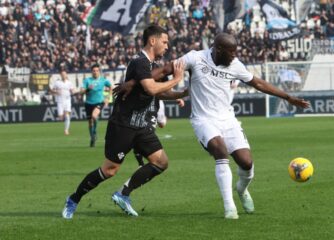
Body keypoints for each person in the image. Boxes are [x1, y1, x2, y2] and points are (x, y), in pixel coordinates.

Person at [116, 33, 309, 219]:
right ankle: (229, 207)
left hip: (228, 120)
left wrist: (288, 97)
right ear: (218, 49)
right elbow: (166, 69)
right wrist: (133, 82)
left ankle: (241, 190)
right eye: (231, 52)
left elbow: (257, 83)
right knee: (220, 150)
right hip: (203, 119)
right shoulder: (196, 58)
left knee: (246, 162)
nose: (234, 55)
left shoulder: (235, 65)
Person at [62, 25, 186, 219]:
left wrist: (182, 93)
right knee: (109, 170)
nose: (167, 46)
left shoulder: (152, 66)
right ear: (152, 41)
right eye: (165, 42)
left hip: (141, 126)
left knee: (161, 162)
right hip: (123, 125)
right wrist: (177, 79)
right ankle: (73, 199)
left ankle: (123, 194)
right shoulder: (139, 62)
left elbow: (158, 93)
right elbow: (151, 88)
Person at [81, 63, 112, 147]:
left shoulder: (103, 80)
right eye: (94, 71)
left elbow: (111, 87)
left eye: (97, 71)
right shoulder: (87, 80)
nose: (95, 72)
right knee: (90, 122)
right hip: (88, 103)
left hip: (99, 102)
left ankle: (94, 132)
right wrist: (88, 89)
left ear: (99, 71)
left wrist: (107, 98)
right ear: (91, 71)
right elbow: (82, 91)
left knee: (94, 116)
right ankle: (92, 137)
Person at [49, 69, 74, 135]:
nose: (63, 75)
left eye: (64, 74)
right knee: (61, 117)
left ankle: (66, 130)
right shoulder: (57, 83)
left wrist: (73, 92)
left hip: (67, 101)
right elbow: (51, 91)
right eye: (62, 74)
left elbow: (72, 91)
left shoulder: (69, 83)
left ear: (66, 75)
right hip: (60, 101)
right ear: (60, 75)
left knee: (67, 116)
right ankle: (62, 119)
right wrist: (56, 92)